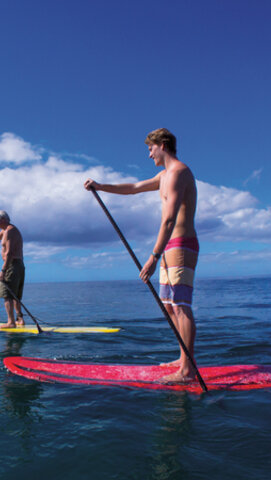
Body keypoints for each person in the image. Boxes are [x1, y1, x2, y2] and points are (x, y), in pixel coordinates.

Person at [84, 128, 199, 383]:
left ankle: (188, 370)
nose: (149, 154)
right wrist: (101, 187)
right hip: (169, 247)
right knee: (169, 306)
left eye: (150, 148)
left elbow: (169, 219)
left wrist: (153, 256)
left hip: (180, 244)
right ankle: (183, 359)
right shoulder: (164, 175)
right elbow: (134, 188)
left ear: (162, 144)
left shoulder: (179, 172)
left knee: (181, 306)